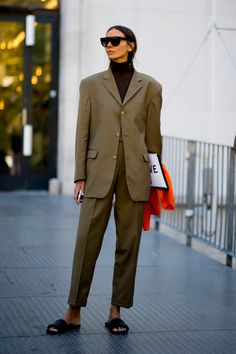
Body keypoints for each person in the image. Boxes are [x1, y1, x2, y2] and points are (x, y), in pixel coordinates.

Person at [47, 25, 162, 335]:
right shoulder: (91, 85)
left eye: (115, 40)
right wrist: (79, 176)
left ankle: (115, 311)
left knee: (128, 245)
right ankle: (73, 312)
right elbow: (82, 132)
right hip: (97, 173)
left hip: (135, 175)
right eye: (105, 41)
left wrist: (157, 183)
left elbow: (153, 139)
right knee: (86, 241)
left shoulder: (151, 87)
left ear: (131, 46)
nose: (108, 45)